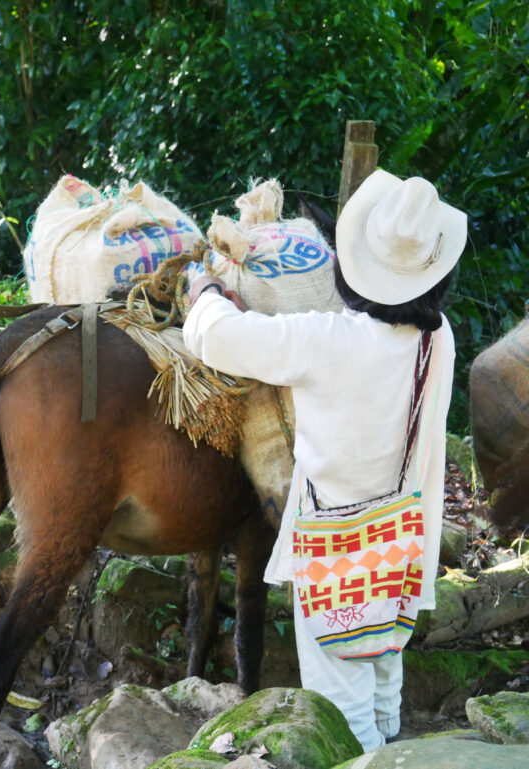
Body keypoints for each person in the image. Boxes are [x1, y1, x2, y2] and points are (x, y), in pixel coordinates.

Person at [182, 170, 466, 751]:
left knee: (344, 711)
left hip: (335, 556)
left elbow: (216, 338)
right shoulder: (439, 342)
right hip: (401, 550)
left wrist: (203, 295)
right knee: (385, 673)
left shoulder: (326, 340)